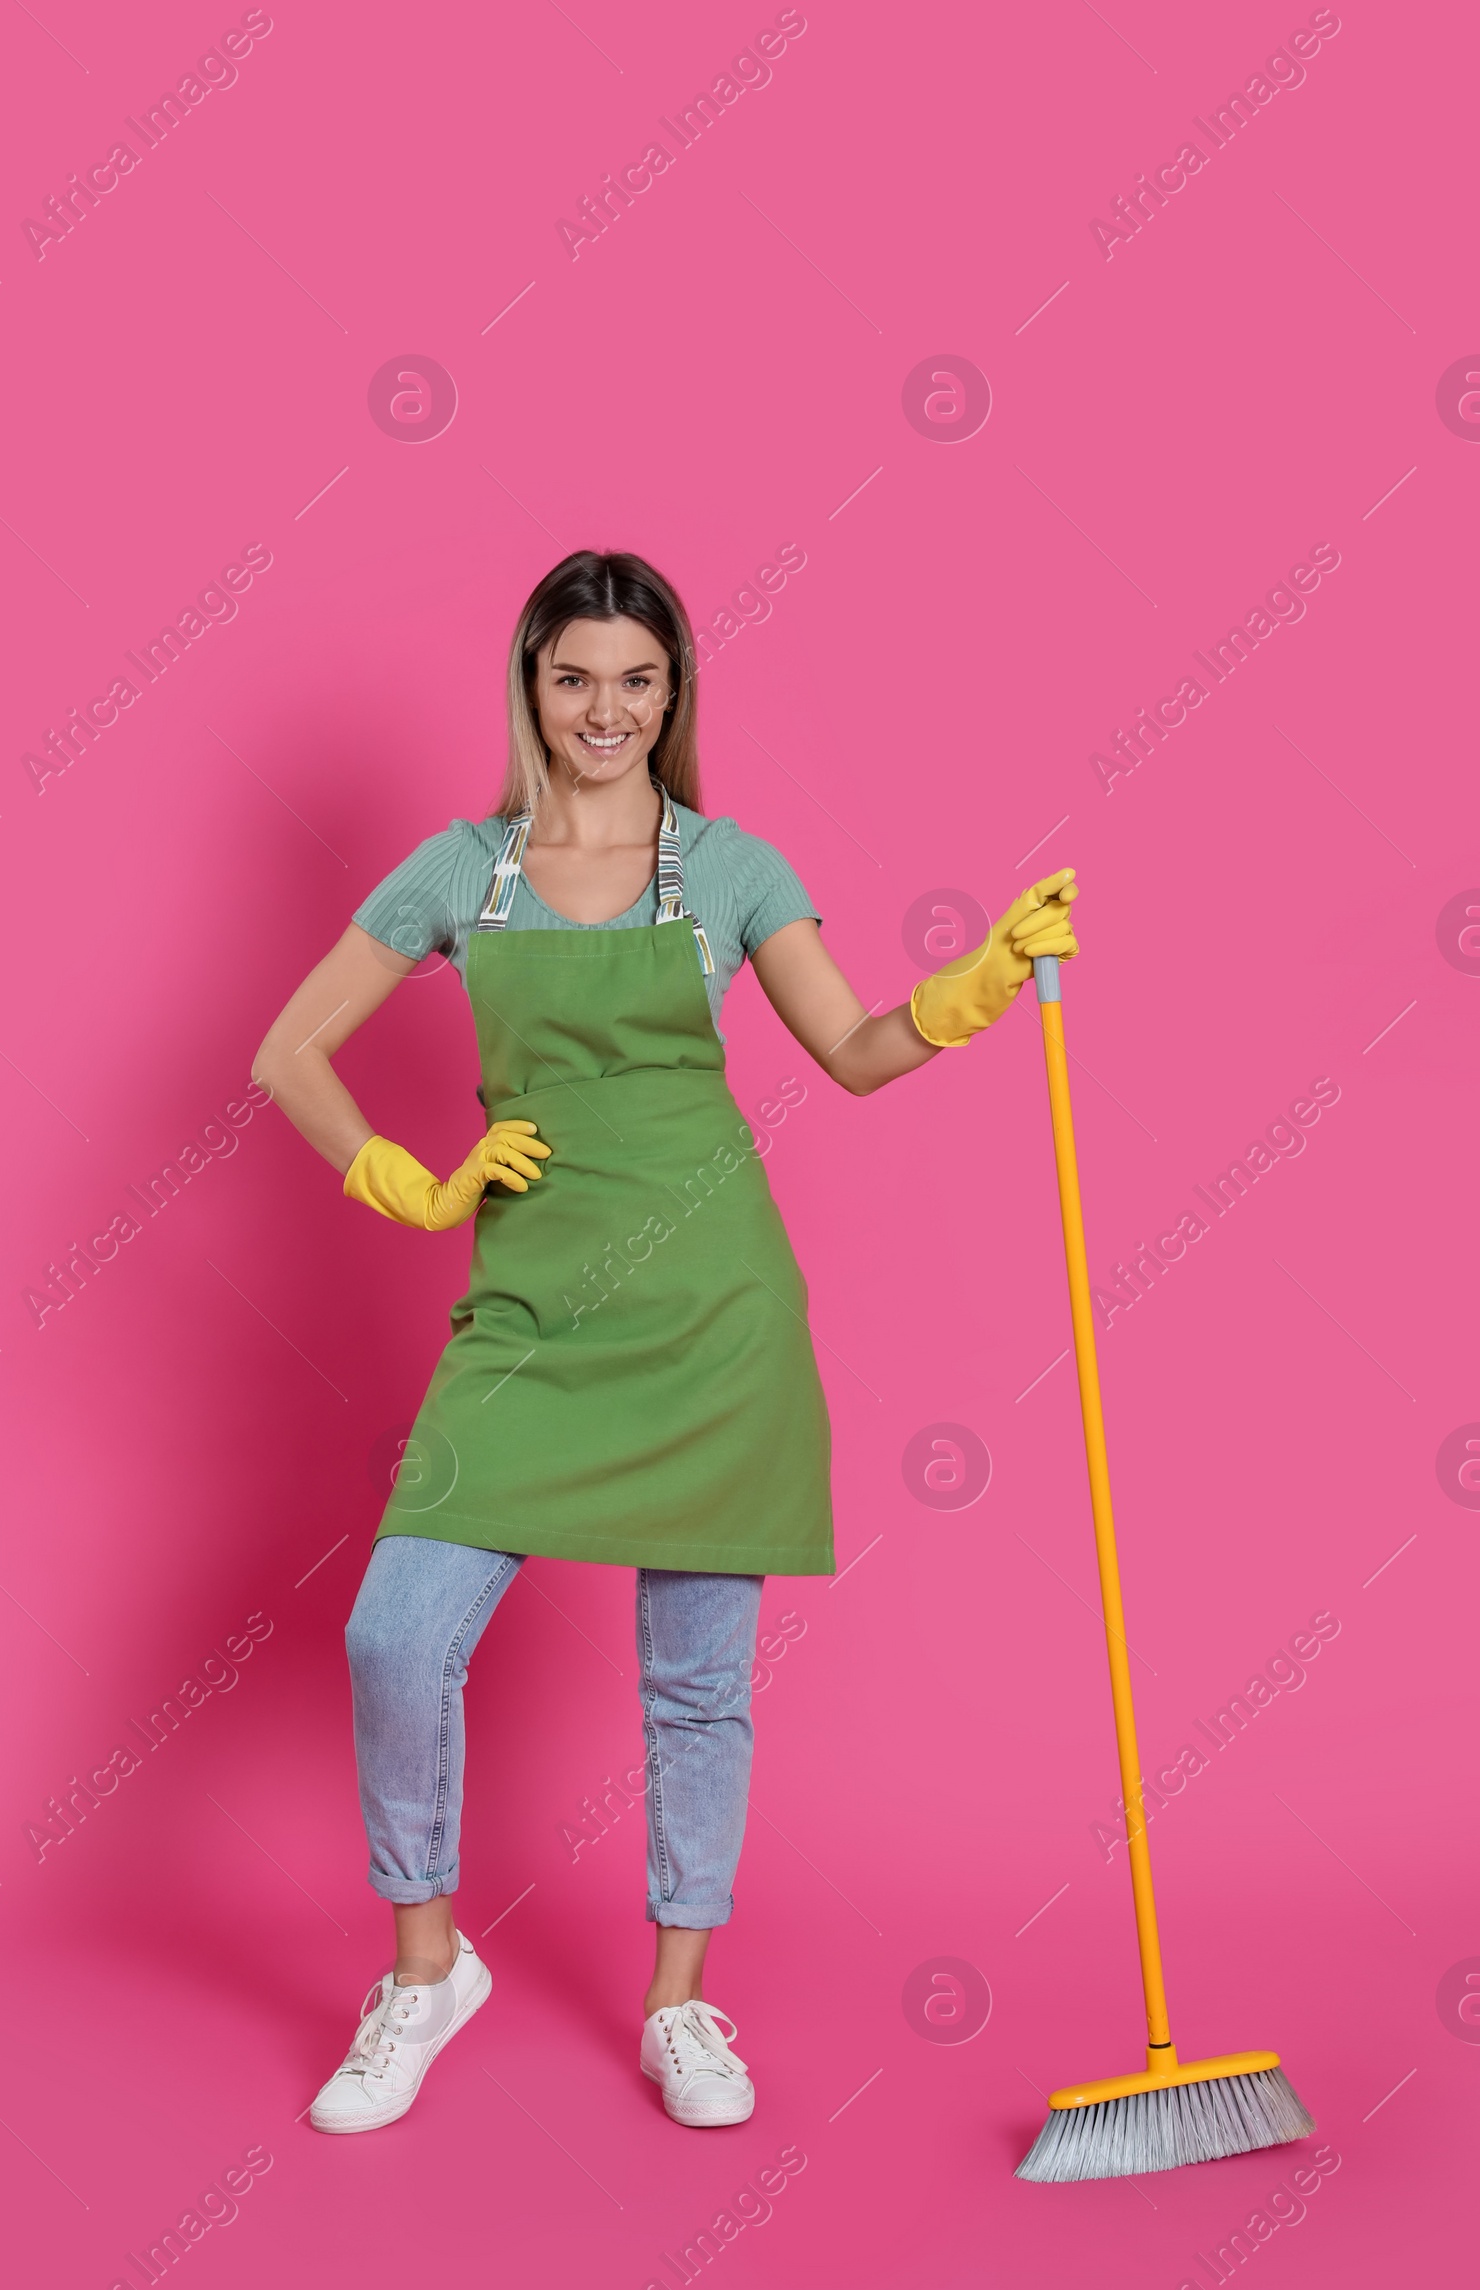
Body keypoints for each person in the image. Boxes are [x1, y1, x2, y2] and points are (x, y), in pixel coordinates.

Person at [251, 550, 1077, 2137]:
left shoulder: (732, 868)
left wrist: (977, 986)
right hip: (528, 1328)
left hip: (715, 1322)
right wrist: (410, 1183)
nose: (607, 711)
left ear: (674, 693)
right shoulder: (461, 872)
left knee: (697, 1691)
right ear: (531, 688)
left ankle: (682, 2004)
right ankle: (426, 1973)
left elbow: (851, 1049)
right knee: (394, 1635)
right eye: (576, 679)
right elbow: (288, 1050)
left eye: (639, 680)